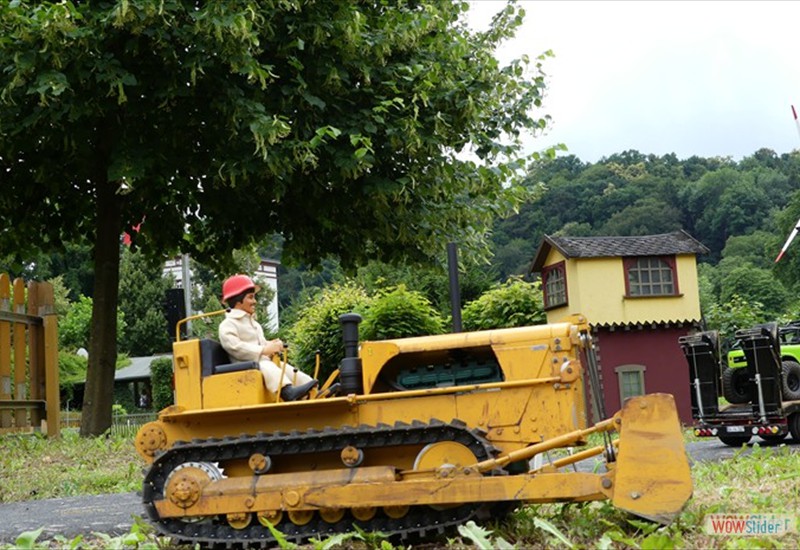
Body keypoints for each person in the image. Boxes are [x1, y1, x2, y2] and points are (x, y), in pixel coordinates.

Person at [218, 274, 317, 401]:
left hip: (261, 362)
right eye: (250, 297)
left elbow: (261, 343)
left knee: (284, 367)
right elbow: (234, 347)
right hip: (244, 366)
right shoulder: (228, 324)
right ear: (238, 301)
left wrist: (272, 345)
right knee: (267, 366)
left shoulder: (254, 324)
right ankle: (286, 392)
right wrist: (263, 350)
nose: (255, 301)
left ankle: (314, 390)